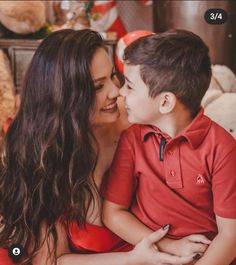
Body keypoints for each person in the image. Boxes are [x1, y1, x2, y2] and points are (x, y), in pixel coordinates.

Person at [0, 29, 208, 265]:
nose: (116, 91)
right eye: (98, 87)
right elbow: (52, 261)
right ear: (64, 98)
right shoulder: (43, 159)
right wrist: (132, 259)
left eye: (113, 76)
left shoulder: (134, 116)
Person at [102, 29, 236, 265]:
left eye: (130, 87)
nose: (121, 93)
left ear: (165, 102)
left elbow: (230, 236)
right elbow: (113, 213)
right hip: (150, 255)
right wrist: (168, 247)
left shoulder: (223, 148)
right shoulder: (132, 139)